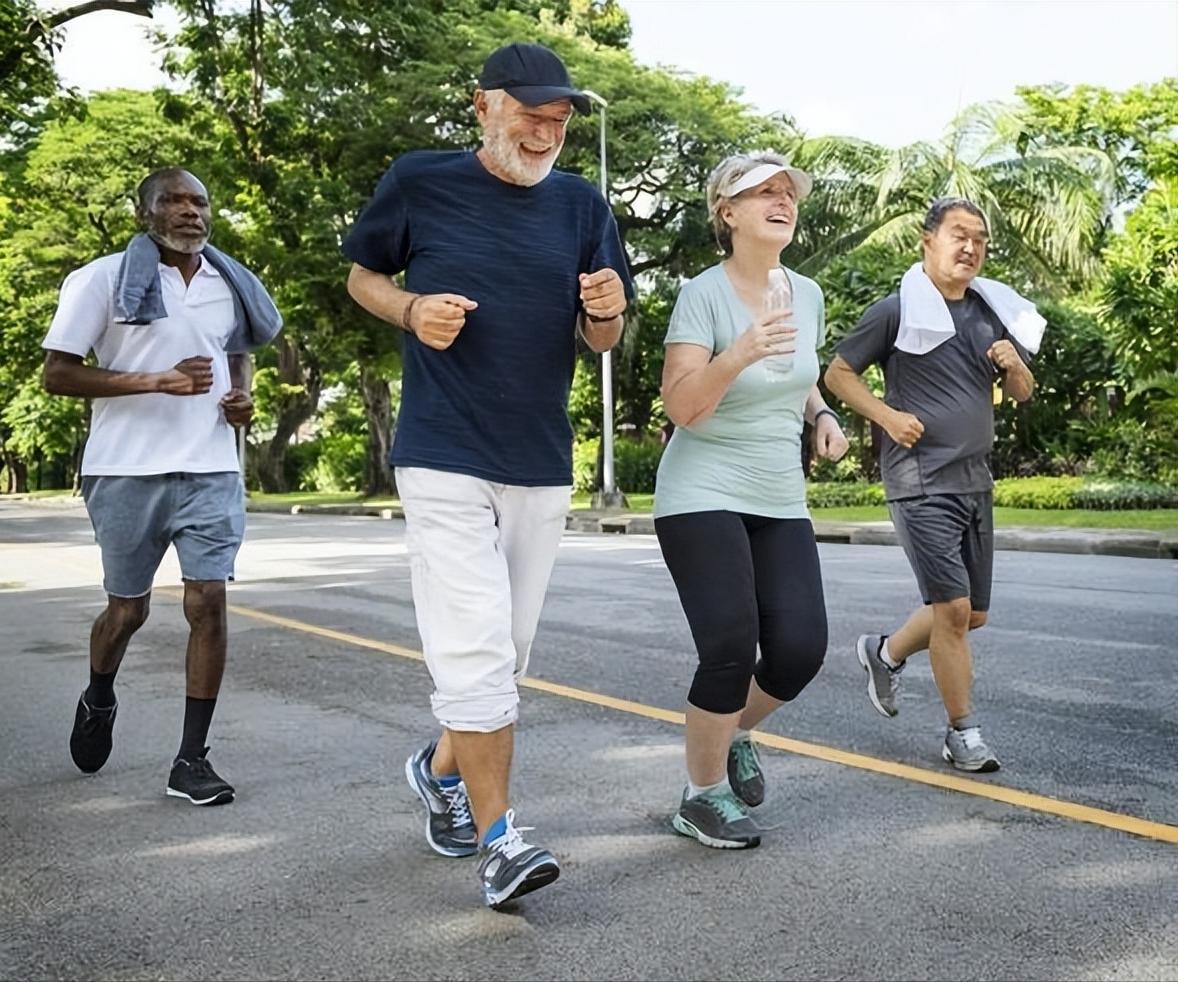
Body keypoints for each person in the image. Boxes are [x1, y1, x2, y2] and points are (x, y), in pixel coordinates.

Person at [342, 42, 633, 908]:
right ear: (482, 106)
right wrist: (409, 309)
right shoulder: (419, 180)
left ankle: (440, 772)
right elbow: (362, 275)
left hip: (539, 458)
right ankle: (501, 840)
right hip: (443, 451)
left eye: (559, 120)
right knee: (474, 649)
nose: (545, 133)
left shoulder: (582, 205)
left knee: (505, 656)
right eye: (531, 115)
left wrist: (608, 313)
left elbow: (603, 335)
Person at [42, 167, 282, 805]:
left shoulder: (228, 283)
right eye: (173, 201)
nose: (190, 211)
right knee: (128, 611)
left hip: (211, 467)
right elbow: (58, 375)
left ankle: (191, 760)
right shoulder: (99, 280)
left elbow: (235, 351)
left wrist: (241, 397)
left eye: (199, 201)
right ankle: (99, 696)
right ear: (143, 213)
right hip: (124, 469)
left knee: (208, 601)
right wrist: (154, 381)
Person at [654, 152, 849, 849]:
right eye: (762, 192)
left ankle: (731, 733)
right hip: (700, 489)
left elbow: (798, 374)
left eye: (787, 191)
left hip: (778, 494)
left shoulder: (807, 293)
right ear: (728, 212)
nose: (781, 200)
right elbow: (682, 407)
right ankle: (701, 795)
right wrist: (737, 353)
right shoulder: (701, 294)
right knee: (730, 644)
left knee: (799, 650)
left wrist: (821, 414)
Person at [824, 197, 1038, 772]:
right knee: (953, 610)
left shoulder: (991, 312)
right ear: (928, 241)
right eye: (959, 235)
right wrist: (887, 417)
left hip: (974, 480)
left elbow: (1021, 392)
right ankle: (963, 734)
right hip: (919, 480)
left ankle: (885, 652)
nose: (971, 247)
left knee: (971, 615)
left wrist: (1014, 365)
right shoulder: (896, 311)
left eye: (980, 240)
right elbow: (838, 374)